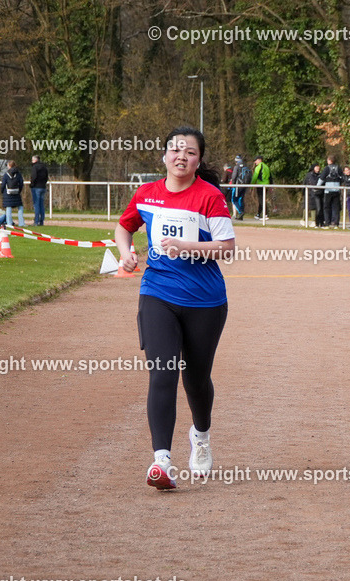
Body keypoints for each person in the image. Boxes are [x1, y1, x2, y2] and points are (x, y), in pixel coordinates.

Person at [114, 126, 235, 491]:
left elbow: (227, 247)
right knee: (162, 372)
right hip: (158, 294)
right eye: (176, 150)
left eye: (191, 152)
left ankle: (200, 437)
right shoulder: (147, 193)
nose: (182, 156)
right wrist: (126, 253)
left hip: (205, 300)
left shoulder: (209, 197)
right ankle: (162, 461)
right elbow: (124, 227)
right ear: (165, 155)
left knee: (195, 380)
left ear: (199, 160)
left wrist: (188, 246)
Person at [318, 156, 343, 227]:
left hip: (328, 190)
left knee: (326, 207)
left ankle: (327, 222)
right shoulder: (339, 168)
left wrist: (317, 186)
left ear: (329, 160)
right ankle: (336, 222)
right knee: (336, 207)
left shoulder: (327, 168)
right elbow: (342, 178)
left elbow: (322, 178)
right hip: (337, 190)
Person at [0, 160, 25, 227]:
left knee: (8, 208)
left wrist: (2, 191)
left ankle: (9, 223)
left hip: (8, 193)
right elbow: (21, 183)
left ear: (9, 166)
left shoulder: (6, 174)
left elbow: (3, 184)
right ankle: (21, 223)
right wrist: (19, 191)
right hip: (16, 193)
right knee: (20, 207)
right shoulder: (18, 174)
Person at [30, 156, 48, 226]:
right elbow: (46, 177)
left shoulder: (35, 167)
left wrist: (32, 184)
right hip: (43, 187)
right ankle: (41, 221)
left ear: (34, 160)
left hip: (36, 187)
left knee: (36, 205)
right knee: (41, 205)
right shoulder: (44, 167)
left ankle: (36, 221)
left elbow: (33, 177)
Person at [231, 155, 251, 220]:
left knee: (234, 199)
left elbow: (234, 176)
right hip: (244, 186)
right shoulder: (245, 166)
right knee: (240, 199)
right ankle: (240, 216)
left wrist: (233, 184)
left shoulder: (236, 167)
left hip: (238, 186)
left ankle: (240, 212)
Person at [251, 155, 270, 219]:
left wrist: (251, 186)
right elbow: (270, 177)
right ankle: (259, 214)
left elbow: (255, 177)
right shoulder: (266, 166)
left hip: (260, 185)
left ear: (259, 160)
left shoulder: (259, 167)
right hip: (266, 185)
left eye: (256, 160)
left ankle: (265, 214)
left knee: (261, 200)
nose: (255, 162)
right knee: (262, 200)